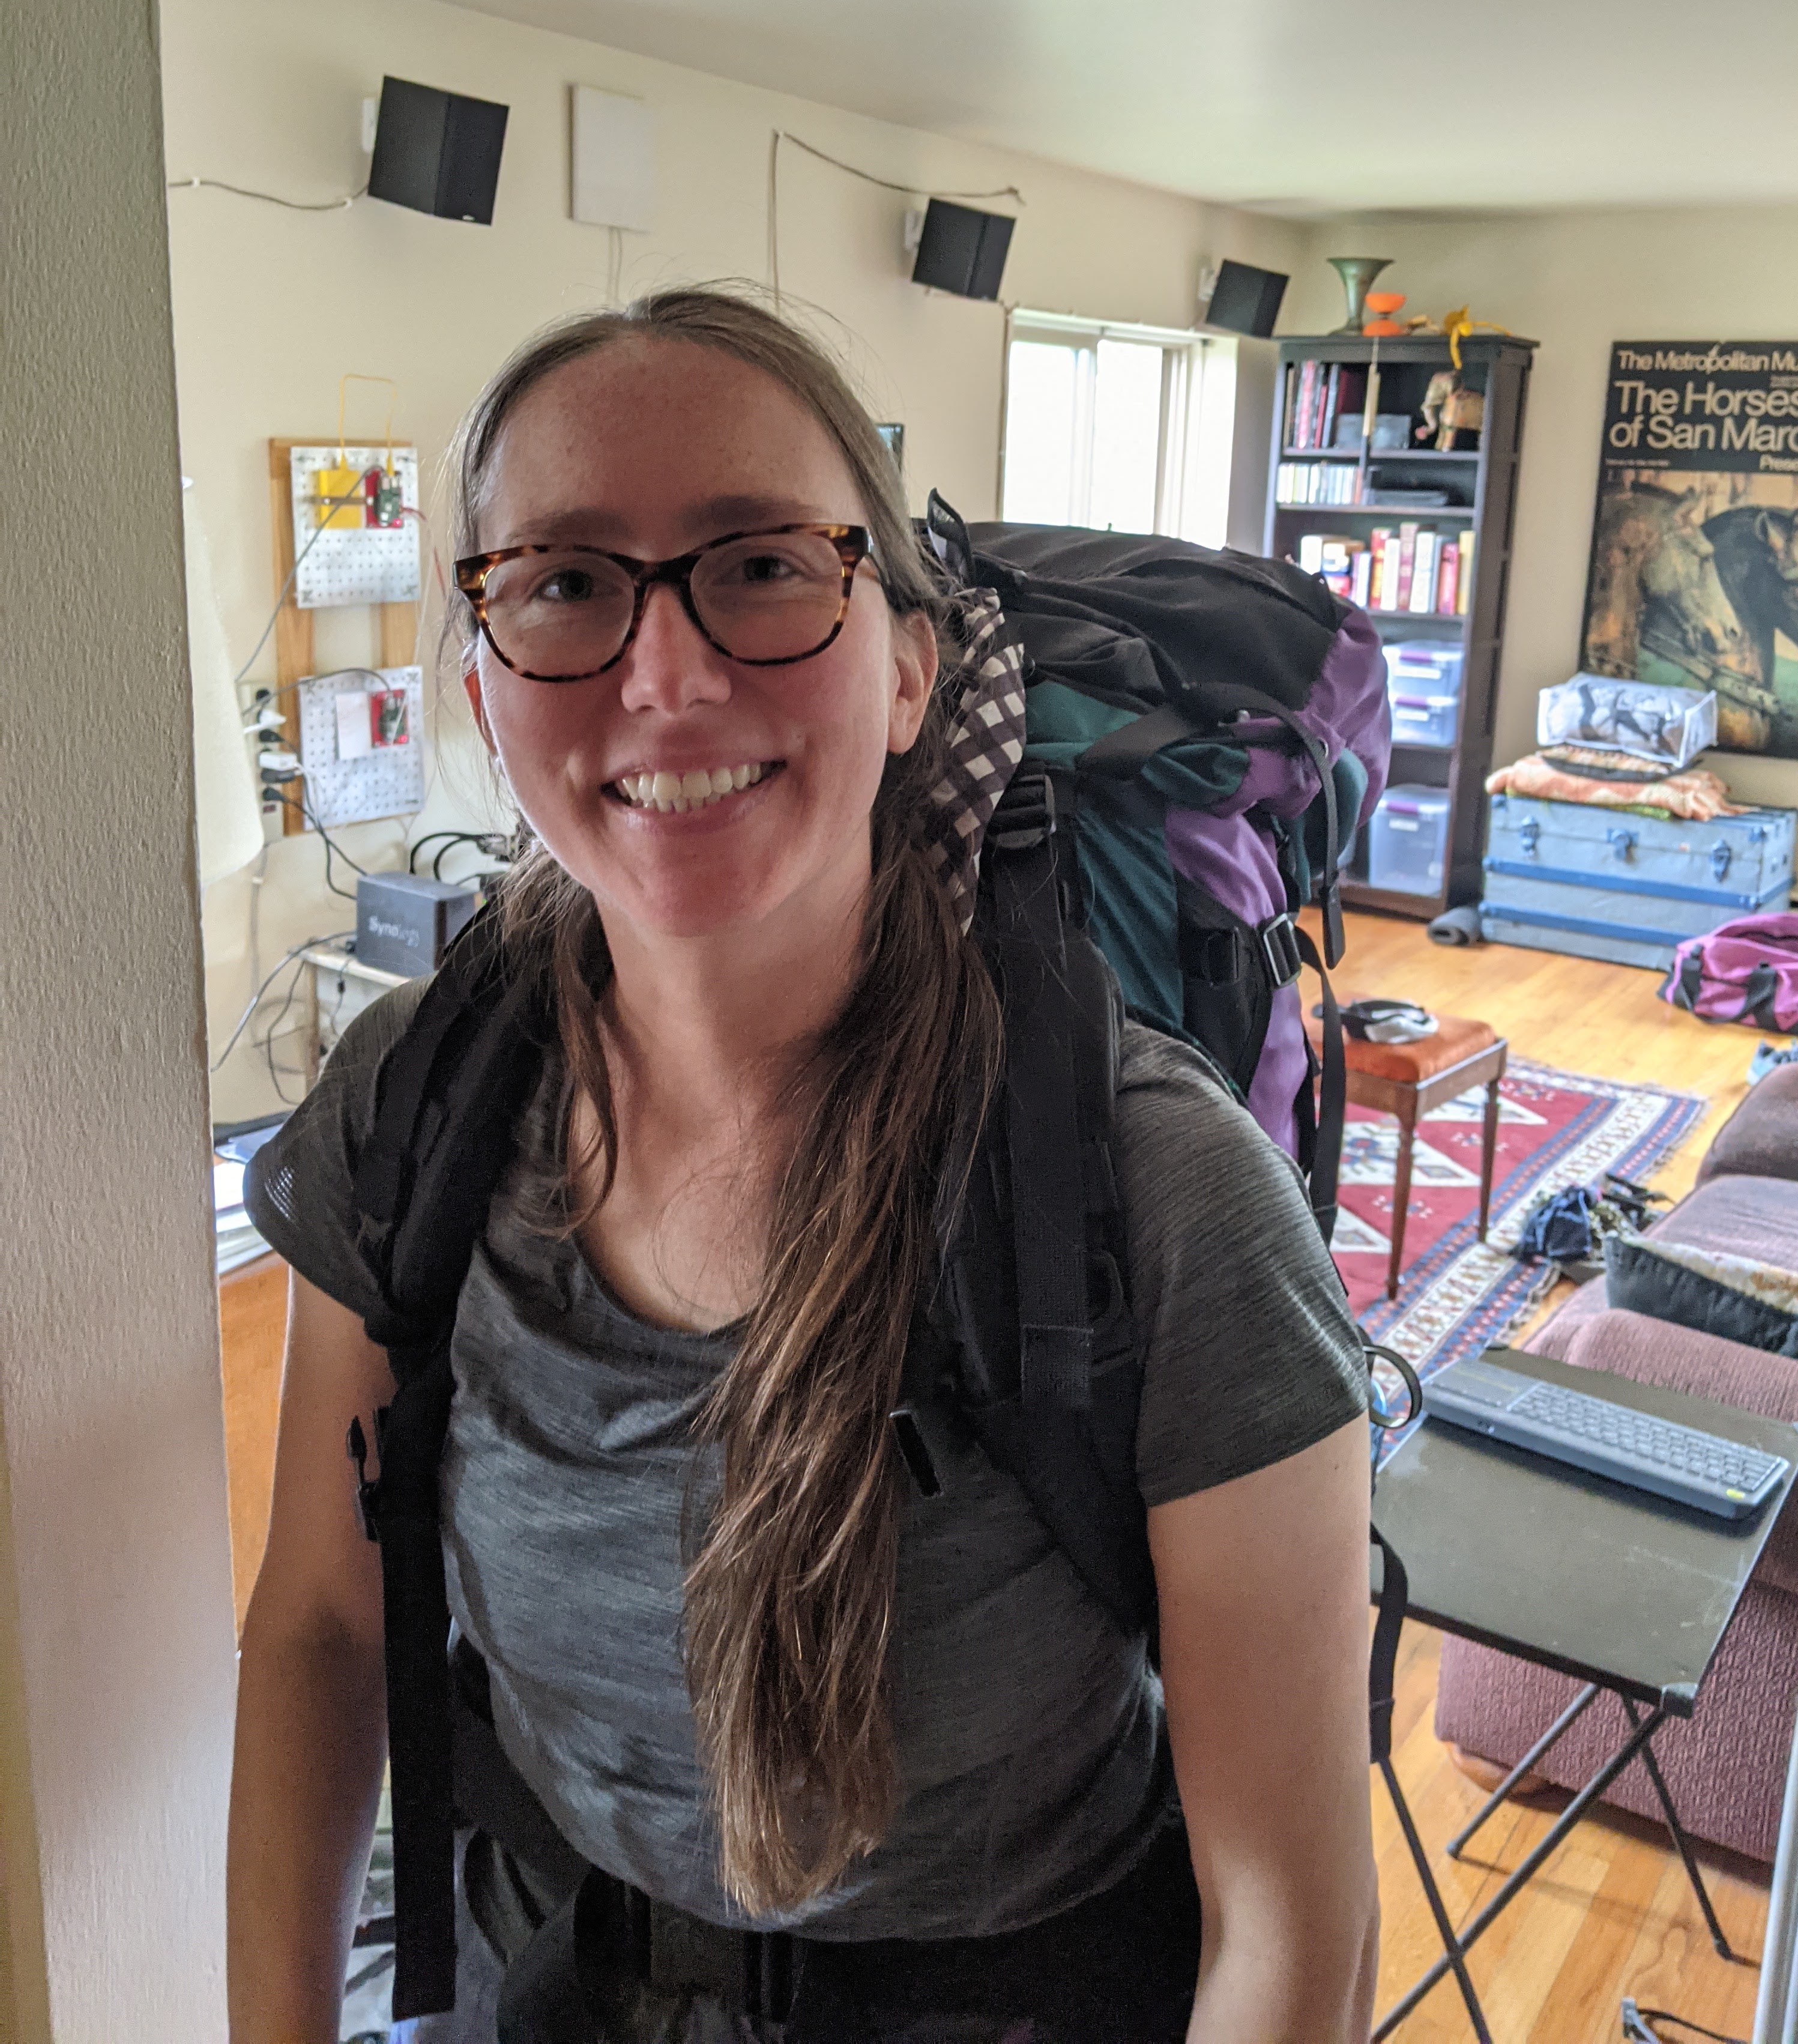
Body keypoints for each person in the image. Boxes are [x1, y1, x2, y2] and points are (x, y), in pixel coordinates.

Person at [229, 288, 1380, 2044]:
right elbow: (324, 1624)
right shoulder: (417, 1104)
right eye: (566, 582)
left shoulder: (1160, 1193)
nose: (667, 676)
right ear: (482, 685)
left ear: (910, 671)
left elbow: (1292, 1923)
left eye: (762, 566)